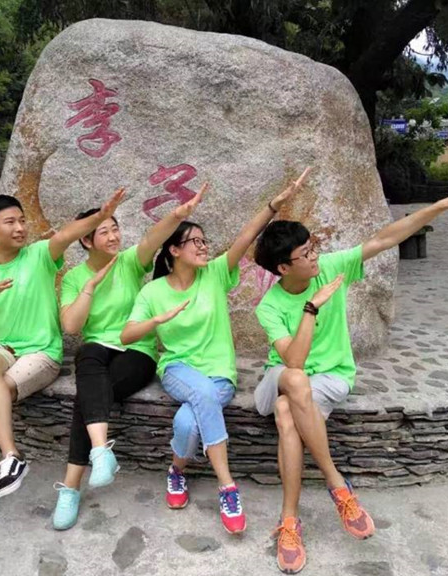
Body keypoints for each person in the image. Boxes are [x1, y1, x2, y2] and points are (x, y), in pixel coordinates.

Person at [253, 187, 448, 573]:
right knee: (293, 384)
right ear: (283, 268)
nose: (315, 257)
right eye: (305, 254)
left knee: (287, 412)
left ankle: (289, 521)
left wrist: (442, 205)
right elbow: (293, 361)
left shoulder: (331, 266)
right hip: (280, 376)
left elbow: (385, 239)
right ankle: (338, 484)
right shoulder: (269, 306)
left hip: (331, 376)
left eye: (313, 248)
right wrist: (311, 308)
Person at [121, 168, 311, 534]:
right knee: (203, 396)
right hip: (177, 369)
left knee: (186, 422)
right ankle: (227, 485)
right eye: (194, 241)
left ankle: (176, 471)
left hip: (220, 374)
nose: (203, 246)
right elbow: (127, 335)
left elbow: (246, 236)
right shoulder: (153, 291)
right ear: (174, 250)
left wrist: (274, 204)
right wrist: (157, 318)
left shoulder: (215, 274)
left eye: (205, 240)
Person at [0, 189, 124, 535]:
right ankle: (11, 456)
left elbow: (67, 234)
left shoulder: (40, 254)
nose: (20, 228)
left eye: (22, 221)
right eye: (10, 222)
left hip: (42, 353)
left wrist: (100, 217)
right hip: (5, 348)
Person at [52, 184, 208, 531]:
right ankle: (100, 453)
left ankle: (72, 485)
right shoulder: (74, 278)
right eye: (103, 232)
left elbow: (153, 239)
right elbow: (72, 326)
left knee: (87, 398)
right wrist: (90, 287)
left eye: (115, 229)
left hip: (137, 349)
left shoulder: (129, 262)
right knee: (88, 354)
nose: (113, 236)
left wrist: (178, 215)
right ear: (86, 241)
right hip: (96, 351)